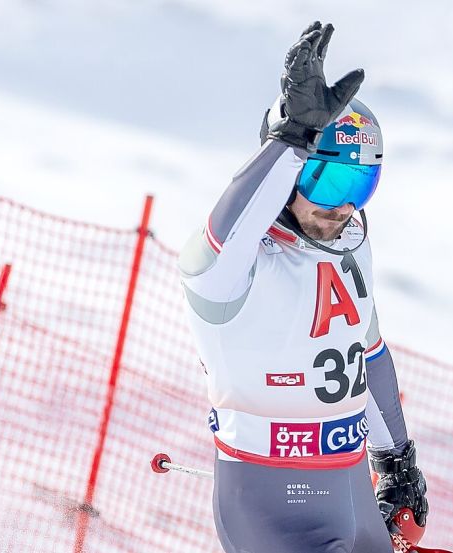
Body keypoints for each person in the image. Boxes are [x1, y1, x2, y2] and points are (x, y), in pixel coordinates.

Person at [177, 21, 429, 553]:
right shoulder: (234, 271)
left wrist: (396, 460)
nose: (342, 206)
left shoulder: (350, 243)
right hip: (273, 505)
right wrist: (289, 141)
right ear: (288, 172)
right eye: (326, 181)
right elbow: (219, 241)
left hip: (351, 490)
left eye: (359, 185)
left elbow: (368, 352)